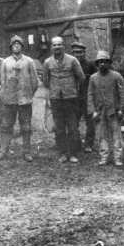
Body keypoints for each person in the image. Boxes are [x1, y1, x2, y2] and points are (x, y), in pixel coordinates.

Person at [0, 36, 39, 162]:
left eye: (19, 44)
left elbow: (34, 81)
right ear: (11, 47)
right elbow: (2, 80)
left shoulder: (29, 61)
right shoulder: (6, 62)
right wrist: (6, 95)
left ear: (22, 47)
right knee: (6, 125)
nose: (16, 46)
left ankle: (26, 151)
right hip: (9, 100)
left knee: (26, 126)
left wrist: (28, 94)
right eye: (14, 44)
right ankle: (3, 151)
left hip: (24, 99)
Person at [43, 36, 85, 164]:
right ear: (51, 47)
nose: (57, 47)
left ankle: (73, 153)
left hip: (70, 99)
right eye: (54, 45)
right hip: (56, 99)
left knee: (72, 127)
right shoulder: (47, 62)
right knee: (59, 128)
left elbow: (81, 77)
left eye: (59, 44)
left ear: (63, 46)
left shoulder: (72, 60)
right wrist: (54, 91)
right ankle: (62, 153)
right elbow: (46, 81)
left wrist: (71, 88)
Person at [87, 51, 124, 167]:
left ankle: (117, 158)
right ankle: (104, 157)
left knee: (116, 135)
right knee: (102, 135)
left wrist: (121, 110)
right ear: (97, 64)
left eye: (105, 62)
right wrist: (93, 111)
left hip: (114, 111)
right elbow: (90, 95)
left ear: (109, 63)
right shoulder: (93, 78)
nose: (103, 64)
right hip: (100, 111)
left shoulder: (117, 76)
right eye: (100, 62)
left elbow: (123, 93)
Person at [71, 42, 97, 153]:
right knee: (73, 123)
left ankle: (88, 144)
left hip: (87, 98)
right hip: (74, 99)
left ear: (84, 53)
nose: (78, 55)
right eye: (76, 53)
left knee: (90, 123)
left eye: (80, 52)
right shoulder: (69, 64)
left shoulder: (90, 65)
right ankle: (76, 143)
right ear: (72, 53)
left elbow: (96, 79)